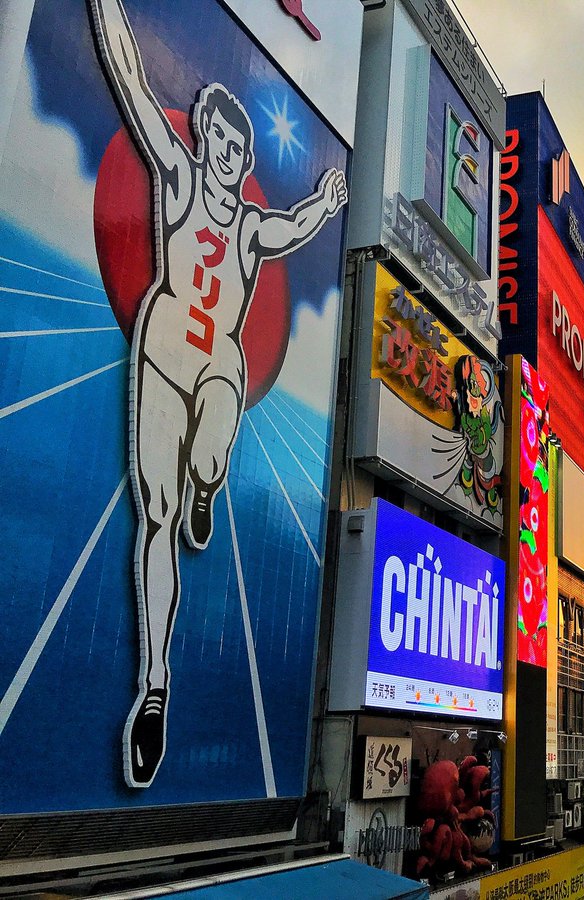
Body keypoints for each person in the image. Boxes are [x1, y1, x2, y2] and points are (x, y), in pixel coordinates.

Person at [90, 0, 347, 788]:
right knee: (156, 523)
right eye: (224, 143)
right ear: (206, 143)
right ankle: (155, 689)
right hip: (162, 358)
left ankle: (211, 477)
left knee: (227, 380)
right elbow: (131, 78)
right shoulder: (175, 174)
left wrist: (330, 202)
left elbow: (295, 228)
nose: (233, 158)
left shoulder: (249, 226)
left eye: (242, 149)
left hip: (215, 366)